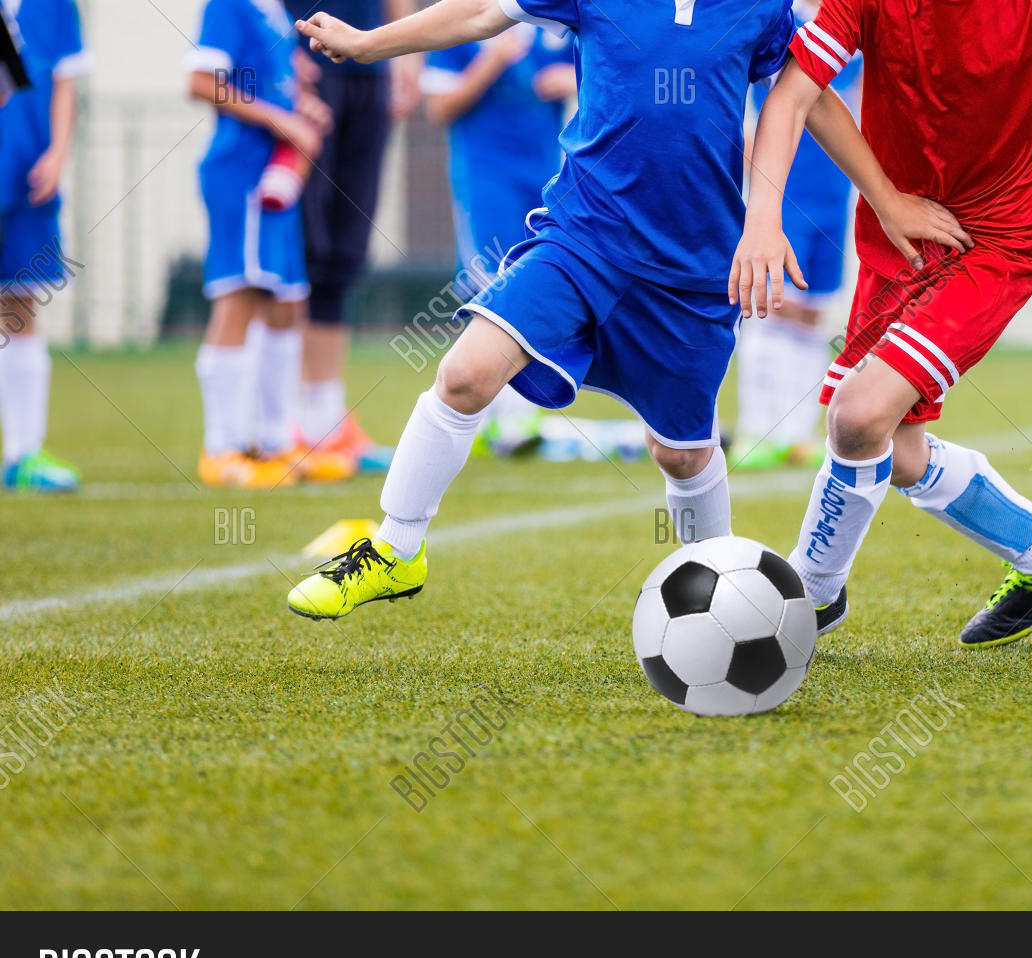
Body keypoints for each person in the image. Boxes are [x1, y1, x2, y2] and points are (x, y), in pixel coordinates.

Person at [282, 0, 966, 620]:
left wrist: (883, 197)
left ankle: (719, 601)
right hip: (584, 237)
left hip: (691, 272)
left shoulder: (761, 8)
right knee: (466, 374)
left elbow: (809, 99)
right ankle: (396, 549)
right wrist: (372, 43)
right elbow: (486, 14)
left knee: (682, 453)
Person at [732, 0, 1032, 646]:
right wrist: (767, 216)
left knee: (855, 415)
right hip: (898, 238)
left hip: (991, 245)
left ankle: (807, 598)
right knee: (891, 450)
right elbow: (793, 94)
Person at [187, 0, 348, 487]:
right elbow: (200, 81)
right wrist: (283, 122)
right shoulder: (229, 5)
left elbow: (270, 84)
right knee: (241, 295)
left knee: (286, 302)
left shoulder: (273, 10)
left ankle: (276, 442)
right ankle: (222, 447)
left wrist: (300, 107)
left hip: (276, 175)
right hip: (243, 172)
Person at [421, 23, 573, 458]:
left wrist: (569, 80)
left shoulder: (547, 23)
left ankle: (516, 413)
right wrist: (492, 61)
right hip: (485, 177)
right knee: (493, 285)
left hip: (545, 175)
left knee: (536, 284)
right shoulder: (460, 25)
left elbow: (595, 75)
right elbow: (439, 109)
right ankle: (502, 418)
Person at [286, 0, 420, 476]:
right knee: (304, 246)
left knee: (345, 248)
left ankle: (325, 420)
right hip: (307, 53)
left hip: (370, 59)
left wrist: (408, 58)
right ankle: (284, 421)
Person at [732, 0, 859, 472]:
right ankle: (755, 429)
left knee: (810, 310)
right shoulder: (775, 20)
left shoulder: (850, 25)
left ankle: (793, 434)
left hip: (834, 190)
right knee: (768, 302)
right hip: (783, 188)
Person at [0, 0, 88, 493]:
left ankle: (23, 453)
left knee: (19, 302)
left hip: (28, 173)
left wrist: (57, 153)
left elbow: (65, 81)